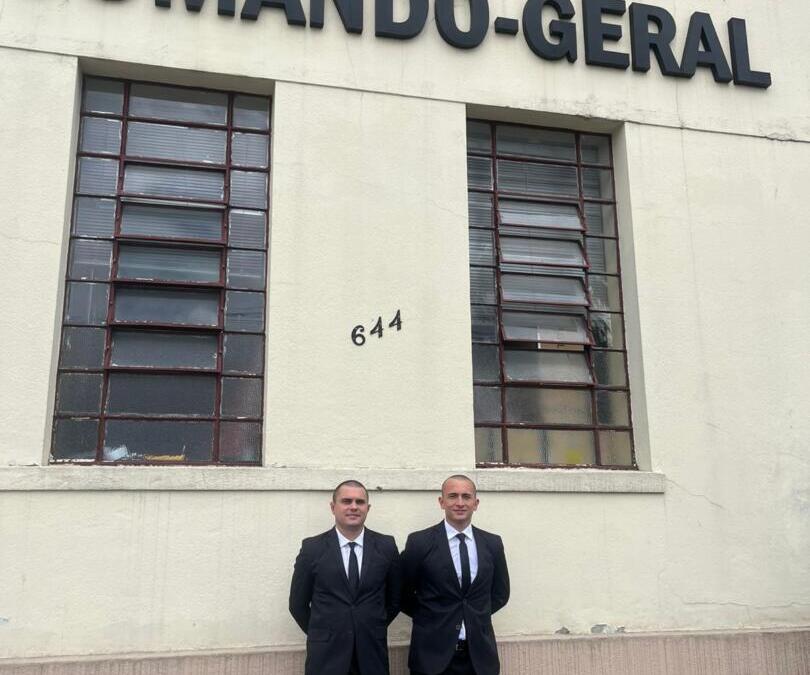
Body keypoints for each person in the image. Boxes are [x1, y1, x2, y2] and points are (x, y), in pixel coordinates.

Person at [289, 479, 401, 675]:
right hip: (326, 657)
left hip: (371, 654)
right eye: (346, 501)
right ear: (333, 507)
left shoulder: (386, 546)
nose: (353, 507)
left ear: (368, 508)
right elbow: (297, 605)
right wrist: (322, 632)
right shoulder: (312, 549)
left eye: (360, 502)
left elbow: (395, 600)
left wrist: (370, 625)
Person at [401, 474, 510, 675]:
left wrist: (473, 614)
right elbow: (401, 593)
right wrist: (432, 616)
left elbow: (500, 594)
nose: (460, 503)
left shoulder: (492, 543)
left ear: (476, 503)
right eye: (452, 496)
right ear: (441, 502)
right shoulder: (419, 542)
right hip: (431, 656)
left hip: (479, 658)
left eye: (466, 497)